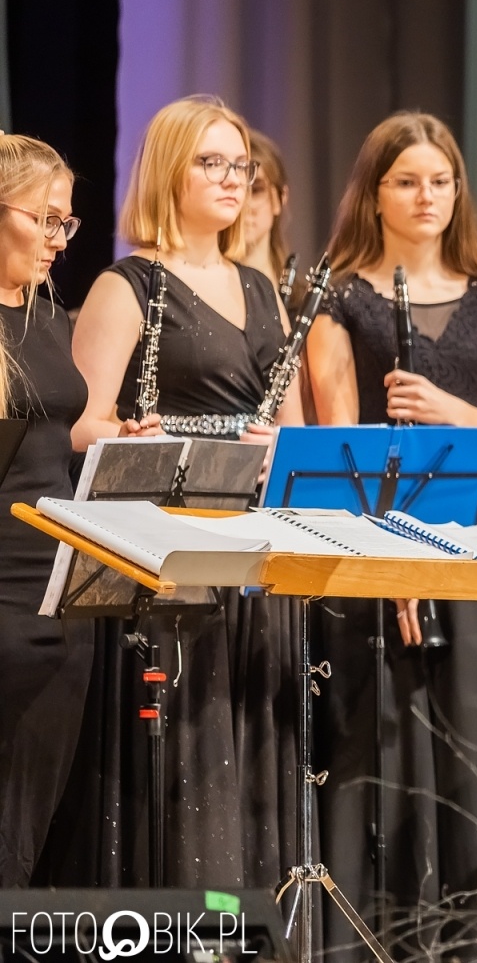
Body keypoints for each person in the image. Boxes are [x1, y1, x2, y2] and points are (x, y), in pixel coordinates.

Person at [303, 112, 477, 954]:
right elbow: (337, 440)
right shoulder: (341, 297)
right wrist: (389, 562)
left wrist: (446, 409)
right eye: (407, 181)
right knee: (386, 747)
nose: (427, 196)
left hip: (475, 540)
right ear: (375, 193)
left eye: (440, 180)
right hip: (379, 545)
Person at [56, 95, 304, 888]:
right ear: (169, 169)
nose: (233, 178)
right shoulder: (127, 285)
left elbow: (294, 434)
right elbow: (79, 425)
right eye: (211, 162)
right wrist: (155, 437)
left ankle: (248, 930)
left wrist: (282, 451)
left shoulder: (263, 289)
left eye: (241, 164)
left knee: (251, 748)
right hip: (170, 551)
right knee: (182, 762)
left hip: (255, 551)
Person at [0, 135, 90, 887]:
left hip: (61, 593)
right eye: (45, 219)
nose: (58, 239)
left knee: (32, 829)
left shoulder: (49, 315)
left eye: (67, 223)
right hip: (2, 599)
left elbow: (58, 436)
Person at [236, 127, 291, 290]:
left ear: (281, 199)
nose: (243, 205)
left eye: (256, 190)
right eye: (235, 189)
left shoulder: (304, 299)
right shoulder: (207, 293)